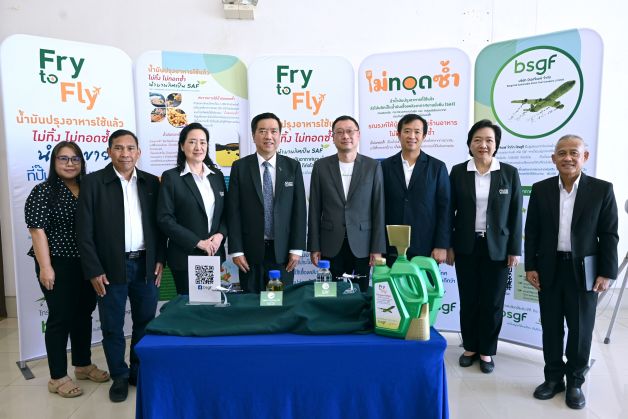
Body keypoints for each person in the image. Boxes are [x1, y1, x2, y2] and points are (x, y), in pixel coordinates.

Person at [525, 135, 618, 409]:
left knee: (580, 329)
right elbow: (532, 232)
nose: (568, 158)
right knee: (551, 327)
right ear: (553, 158)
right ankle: (553, 378)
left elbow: (609, 234)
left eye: (574, 153)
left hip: (584, 271)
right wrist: (530, 265)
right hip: (549, 268)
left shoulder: (601, 190)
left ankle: (575, 382)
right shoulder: (541, 189)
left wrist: (606, 272)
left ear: (584, 157)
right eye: (562, 153)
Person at [77, 129, 165, 403]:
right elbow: (84, 231)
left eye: (130, 148)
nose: (125, 153)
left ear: (138, 152)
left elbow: (160, 226)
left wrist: (159, 258)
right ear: (109, 151)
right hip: (109, 267)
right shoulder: (93, 183)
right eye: (118, 148)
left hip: (146, 264)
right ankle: (119, 375)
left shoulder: (151, 183)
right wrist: (93, 269)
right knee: (112, 325)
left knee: (145, 322)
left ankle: (137, 371)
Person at [25, 141, 109, 398]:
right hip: (57, 262)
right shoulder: (43, 191)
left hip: (87, 263)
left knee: (83, 313)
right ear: (54, 162)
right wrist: (46, 267)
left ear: (82, 162)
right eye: (63, 158)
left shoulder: (88, 188)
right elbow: (37, 231)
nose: (70, 163)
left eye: (75, 159)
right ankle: (57, 376)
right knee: (60, 317)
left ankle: (82, 365)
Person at [446, 120, 522, 374]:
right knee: (469, 299)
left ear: (496, 144)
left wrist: (514, 249)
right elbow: (449, 212)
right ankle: (470, 347)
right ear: (469, 144)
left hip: (498, 248)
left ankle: (487, 350)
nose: (483, 145)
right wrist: (448, 245)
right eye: (477, 140)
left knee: (493, 302)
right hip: (466, 245)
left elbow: (515, 214)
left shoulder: (509, 173)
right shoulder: (458, 172)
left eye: (489, 140)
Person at [227, 112, 306, 293]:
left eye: (273, 131)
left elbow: (299, 210)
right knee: (251, 303)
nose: (268, 136)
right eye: (262, 131)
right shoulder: (240, 167)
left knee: (281, 303)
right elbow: (233, 212)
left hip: (283, 253)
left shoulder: (292, 167)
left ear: (280, 135)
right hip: (249, 253)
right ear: (253, 135)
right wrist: (237, 250)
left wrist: (297, 248)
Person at [307, 115, 385, 291]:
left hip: (363, 244)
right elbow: (314, 209)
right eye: (340, 132)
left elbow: (378, 209)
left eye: (350, 131)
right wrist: (314, 246)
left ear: (358, 135)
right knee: (330, 293)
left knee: (361, 293)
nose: (345, 136)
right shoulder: (320, 166)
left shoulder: (372, 166)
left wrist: (377, 248)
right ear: (333, 137)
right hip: (330, 243)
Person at [157, 122, 227, 295]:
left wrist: (220, 235)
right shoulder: (171, 177)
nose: (198, 147)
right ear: (182, 146)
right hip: (185, 256)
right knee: (189, 306)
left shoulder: (216, 176)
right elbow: (165, 219)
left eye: (203, 142)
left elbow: (226, 213)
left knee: (209, 304)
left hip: (212, 254)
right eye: (192, 142)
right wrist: (198, 242)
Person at [381, 114, 451, 264]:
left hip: (426, 246)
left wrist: (441, 245)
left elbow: (445, 209)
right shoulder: (384, 166)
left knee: (425, 281)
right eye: (407, 131)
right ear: (398, 134)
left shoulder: (437, 167)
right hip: (391, 247)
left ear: (424, 136)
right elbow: (378, 207)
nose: (412, 136)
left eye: (417, 132)